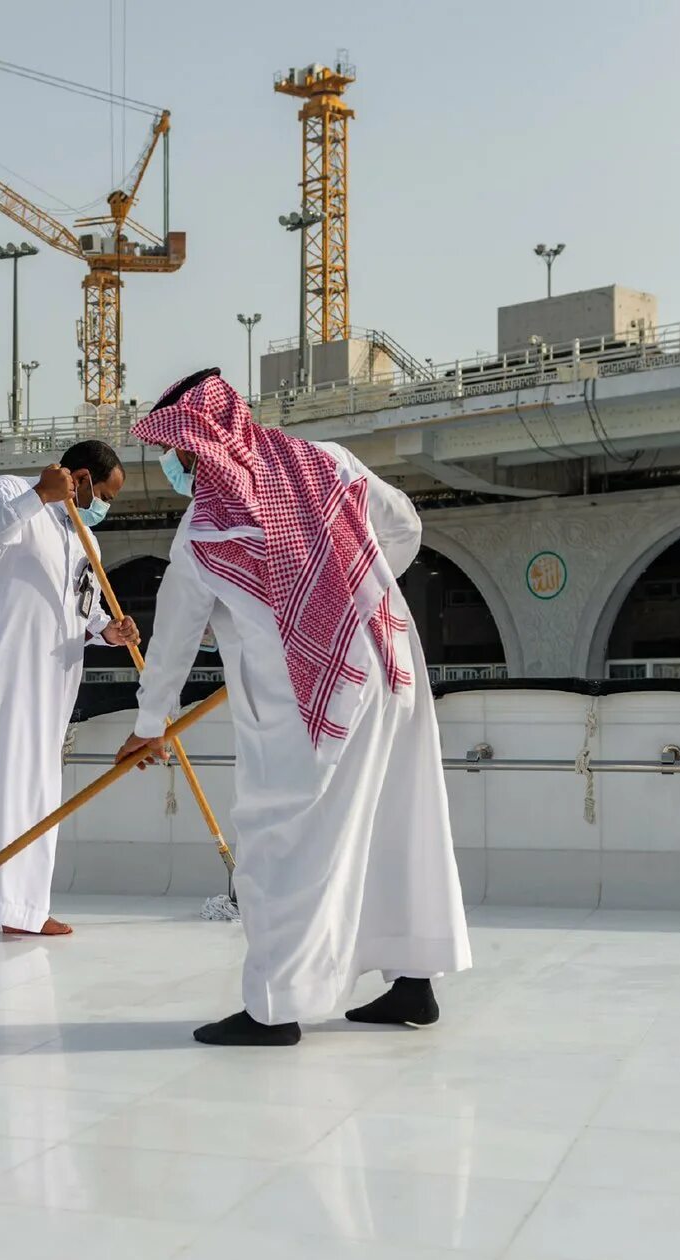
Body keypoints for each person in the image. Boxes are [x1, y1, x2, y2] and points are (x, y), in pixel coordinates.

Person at [115, 369, 471, 1045]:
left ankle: (275, 1008)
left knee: (282, 846)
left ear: (200, 441)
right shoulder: (328, 462)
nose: (178, 465)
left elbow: (173, 642)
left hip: (305, 703)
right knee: (397, 818)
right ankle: (413, 983)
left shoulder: (205, 531)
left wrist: (146, 726)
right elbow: (404, 527)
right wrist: (346, 592)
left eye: (180, 452)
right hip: (387, 661)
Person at [0, 440, 140, 952]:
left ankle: (23, 909)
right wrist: (39, 493)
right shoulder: (7, 491)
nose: (105, 506)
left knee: (32, 792)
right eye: (102, 494)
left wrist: (108, 632)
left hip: (42, 687)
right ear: (78, 478)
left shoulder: (87, 544)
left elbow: (80, 610)